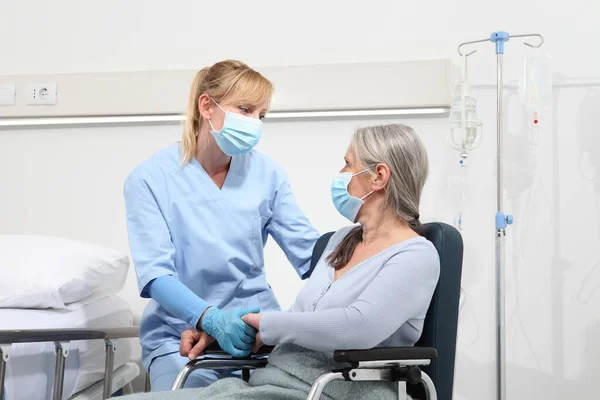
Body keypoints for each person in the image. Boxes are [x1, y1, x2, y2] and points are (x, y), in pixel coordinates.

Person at [121, 123, 441, 400]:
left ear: (379, 176)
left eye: (347, 164)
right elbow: (305, 321)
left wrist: (265, 324)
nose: (340, 175)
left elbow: (357, 326)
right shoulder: (340, 240)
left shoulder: (415, 255)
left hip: (334, 389)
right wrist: (232, 330)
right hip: (273, 381)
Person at [123, 60, 320, 391]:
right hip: (182, 338)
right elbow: (156, 275)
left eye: (261, 115)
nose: (255, 123)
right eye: (245, 109)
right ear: (206, 106)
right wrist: (209, 319)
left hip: (255, 335)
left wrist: (369, 251)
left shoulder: (268, 174)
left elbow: (311, 255)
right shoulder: (149, 179)